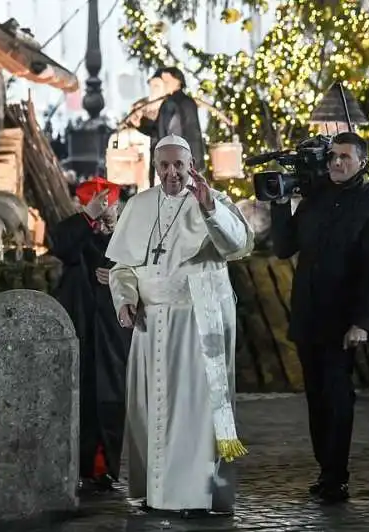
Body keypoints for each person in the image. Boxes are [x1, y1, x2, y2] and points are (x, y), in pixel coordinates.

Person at [106, 134, 254, 516]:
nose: (172, 173)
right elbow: (122, 267)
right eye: (164, 166)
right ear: (156, 168)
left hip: (196, 323)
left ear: (191, 164)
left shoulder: (212, 200)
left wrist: (208, 209)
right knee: (150, 411)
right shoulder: (138, 206)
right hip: (149, 324)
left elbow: (235, 244)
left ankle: (195, 496)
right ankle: (156, 494)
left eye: (178, 165)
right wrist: (124, 300)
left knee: (193, 412)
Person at [269, 132, 369, 504]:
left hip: (343, 322)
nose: (337, 163)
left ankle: (337, 475)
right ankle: (326, 470)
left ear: (362, 162)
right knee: (316, 398)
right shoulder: (315, 199)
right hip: (309, 315)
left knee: (338, 399)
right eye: (333, 157)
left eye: (345, 157)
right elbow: (283, 247)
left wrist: (362, 323)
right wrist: (279, 202)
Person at [49, 177, 132, 492]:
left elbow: (146, 269)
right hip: (79, 325)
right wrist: (87, 217)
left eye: (110, 205)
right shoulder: (77, 235)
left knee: (112, 395)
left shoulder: (125, 238)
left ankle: (104, 465)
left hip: (113, 331)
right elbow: (60, 244)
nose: (106, 212)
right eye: (100, 205)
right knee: (76, 395)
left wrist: (121, 276)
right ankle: (75, 464)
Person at [134, 67, 205, 182]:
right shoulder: (187, 102)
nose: (164, 85)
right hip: (189, 162)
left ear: (178, 81)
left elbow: (162, 132)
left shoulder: (170, 103)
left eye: (166, 82)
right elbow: (159, 129)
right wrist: (140, 123)